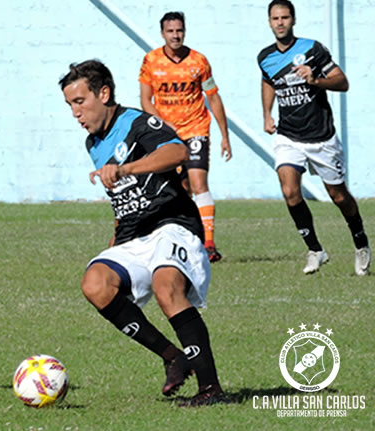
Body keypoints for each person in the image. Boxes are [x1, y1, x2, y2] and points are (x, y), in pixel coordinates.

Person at [60, 60, 226, 407]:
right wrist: (116, 234)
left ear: (104, 94)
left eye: (80, 101)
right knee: (95, 284)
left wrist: (126, 168)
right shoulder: (93, 143)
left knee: (166, 288)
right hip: (133, 235)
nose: (75, 112)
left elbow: (178, 151)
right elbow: (123, 196)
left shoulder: (136, 122)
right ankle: (173, 356)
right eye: (70, 105)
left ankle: (211, 389)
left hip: (173, 224)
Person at [259, 0, 370, 275]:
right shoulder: (265, 57)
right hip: (288, 136)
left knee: (338, 196)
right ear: (269, 22)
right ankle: (315, 250)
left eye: (285, 17)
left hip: (321, 137)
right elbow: (268, 81)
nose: (280, 22)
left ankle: (360, 241)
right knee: (289, 191)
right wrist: (267, 114)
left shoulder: (312, 49)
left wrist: (315, 80)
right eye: (275, 18)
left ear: (293, 20)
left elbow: (342, 82)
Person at [139, 12, 232, 263]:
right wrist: (162, 124)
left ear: (185, 31)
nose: (175, 35)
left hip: (195, 129)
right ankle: (180, 238)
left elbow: (213, 97)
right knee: (179, 189)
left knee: (198, 183)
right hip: (166, 134)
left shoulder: (199, 61)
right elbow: (145, 100)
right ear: (162, 34)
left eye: (179, 30)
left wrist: (225, 135)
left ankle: (209, 244)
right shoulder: (151, 61)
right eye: (170, 31)